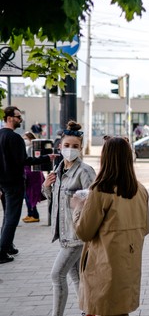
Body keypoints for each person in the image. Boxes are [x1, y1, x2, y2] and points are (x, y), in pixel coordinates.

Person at [74, 135, 149, 316]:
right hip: (129, 265)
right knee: (121, 310)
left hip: (103, 265)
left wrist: (78, 208)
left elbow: (84, 232)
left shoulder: (100, 190)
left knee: (100, 308)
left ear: (105, 157)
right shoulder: (140, 190)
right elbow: (146, 228)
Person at [41, 121, 96, 316]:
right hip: (64, 233)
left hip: (77, 235)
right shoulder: (58, 170)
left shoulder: (85, 171)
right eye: (67, 146)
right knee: (76, 276)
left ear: (81, 149)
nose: (70, 150)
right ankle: (88, 311)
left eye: (75, 146)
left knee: (57, 275)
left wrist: (80, 203)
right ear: (60, 146)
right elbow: (52, 199)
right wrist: (47, 185)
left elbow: (95, 201)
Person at [0, 106, 54, 263]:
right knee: (12, 217)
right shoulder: (15, 138)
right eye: (18, 116)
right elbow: (24, 161)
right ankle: (2, 252)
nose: (20, 119)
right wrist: (46, 158)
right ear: (9, 118)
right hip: (14, 183)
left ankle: (7, 246)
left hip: (3, 183)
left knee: (7, 215)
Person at [22, 131, 45, 223]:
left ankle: (34, 215)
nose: (25, 140)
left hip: (32, 174)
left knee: (30, 195)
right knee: (27, 195)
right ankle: (30, 213)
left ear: (30, 138)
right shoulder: (29, 147)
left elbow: (31, 161)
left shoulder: (33, 148)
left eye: (26, 138)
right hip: (29, 173)